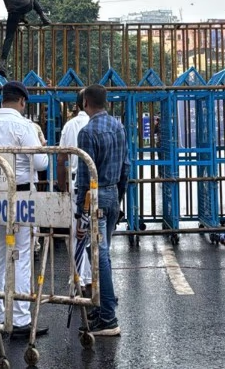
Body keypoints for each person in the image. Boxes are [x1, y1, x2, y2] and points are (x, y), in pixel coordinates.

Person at [0, 81, 49, 337]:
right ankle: (19, 318)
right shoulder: (24, 126)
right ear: (22, 101)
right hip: (21, 194)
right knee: (21, 254)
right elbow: (40, 163)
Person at [74, 85, 128, 337]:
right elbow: (126, 166)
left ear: (85, 102)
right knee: (101, 255)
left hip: (95, 199)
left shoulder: (87, 132)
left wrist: (80, 213)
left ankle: (108, 318)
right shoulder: (119, 127)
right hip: (113, 193)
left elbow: (85, 177)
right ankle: (102, 306)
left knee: (100, 256)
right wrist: (119, 197)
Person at [59, 90, 91, 290]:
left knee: (76, 232)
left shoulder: (70, 125)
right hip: (98, 186)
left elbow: (61, 158)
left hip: (75, 185)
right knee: (96, 233)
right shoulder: (101, 123)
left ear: (79, 104)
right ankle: (94, 277)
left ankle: (80, 277)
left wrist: (60, 186)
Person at [0, 0, 51, 70]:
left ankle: (2, 64)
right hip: (26, 6)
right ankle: (44, 18)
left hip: (13, 12)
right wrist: (23, 18)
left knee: (9, 37)